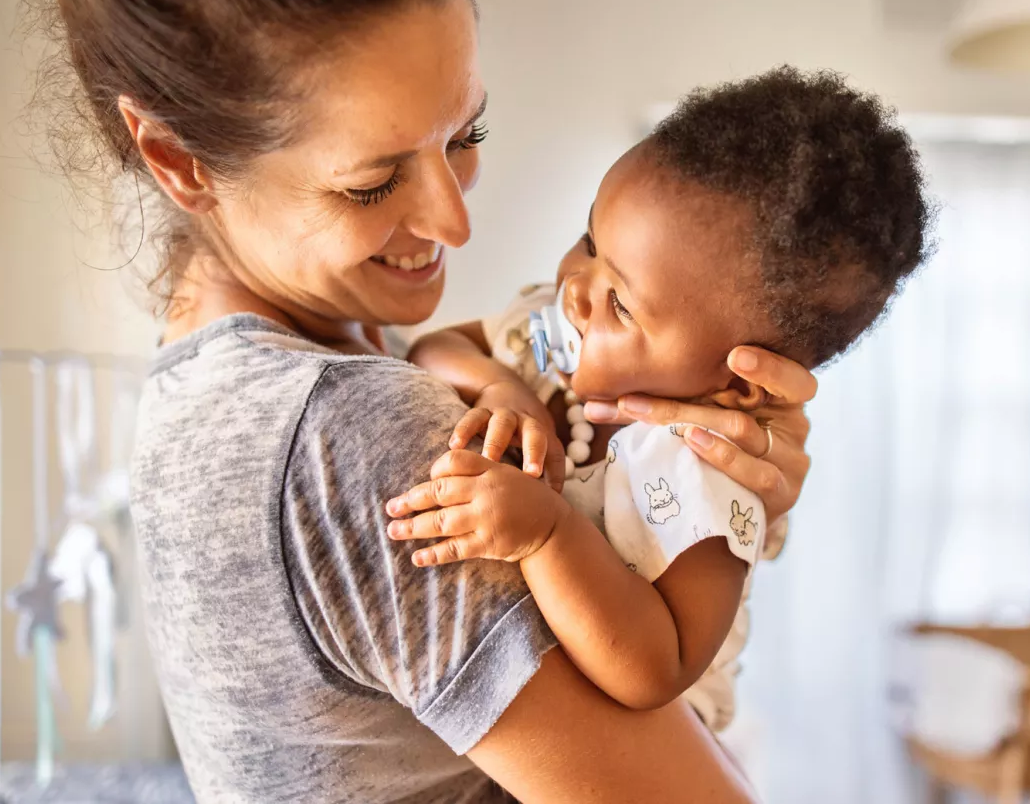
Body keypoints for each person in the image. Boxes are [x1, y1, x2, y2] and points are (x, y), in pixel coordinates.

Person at [43, 0, 817, 801]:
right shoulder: (345, 427)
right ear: (178, 158)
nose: (454, 220)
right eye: (374, 182)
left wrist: (718, 499)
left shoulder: (220, 377)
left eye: (465, 135)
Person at [390, 67, 929, 733]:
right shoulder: (559, 338)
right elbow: (435, 348)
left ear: (738, 383)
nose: (578, 287)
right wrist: (498, 385)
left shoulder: (704, 472)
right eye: (590, 241)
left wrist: (548, 533)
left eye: (620, 302)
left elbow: (656, 667)